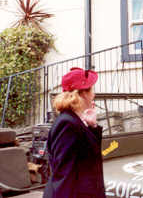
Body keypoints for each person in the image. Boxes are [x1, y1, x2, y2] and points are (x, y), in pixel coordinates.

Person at [43, 67, 106, 198]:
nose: (94, 95)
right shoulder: (67, 124)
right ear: (83, 94)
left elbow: (88, 160)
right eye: (92, 90)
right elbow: (64, 175)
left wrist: (92, 127)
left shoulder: (75, 121)